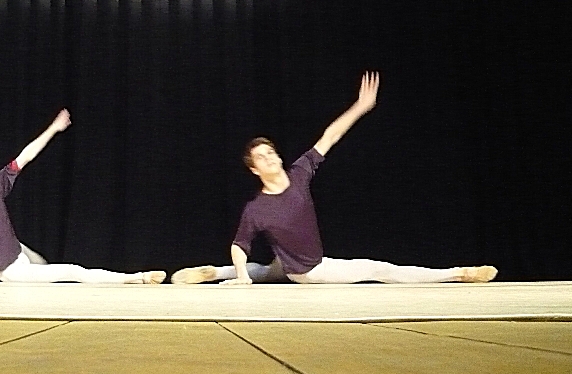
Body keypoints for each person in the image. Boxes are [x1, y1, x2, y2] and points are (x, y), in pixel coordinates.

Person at [177, 73, 497, 286]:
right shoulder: (257, 208)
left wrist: (360, 107)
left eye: (271, 152)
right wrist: (241, 278)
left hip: (287, 263)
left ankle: (213, 272)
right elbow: (240, 244)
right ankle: (459, 273)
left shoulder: (299, 173)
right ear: (254, 169)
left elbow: (330, 136)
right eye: (261, 157)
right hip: (309, 271)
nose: (270, 157)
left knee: (267, 270)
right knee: (378, 269)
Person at [0, 109, 165, 284]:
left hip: (17, 251)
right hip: (10, 270)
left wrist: (53, 128)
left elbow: (26, 155)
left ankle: (3, 272)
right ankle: (137, 278)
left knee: (38, 261)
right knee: (73, 271)